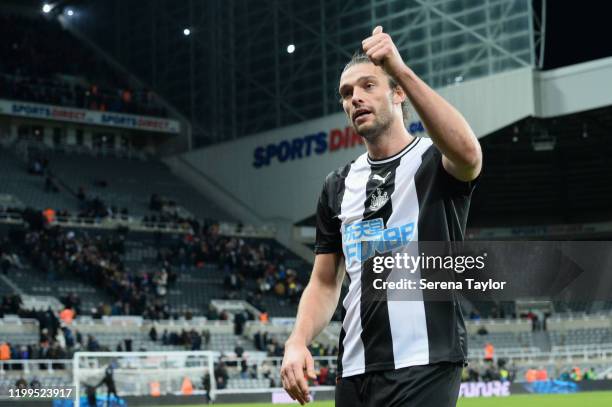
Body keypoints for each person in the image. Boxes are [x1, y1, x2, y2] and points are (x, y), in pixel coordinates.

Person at [281, 25, 481, 407]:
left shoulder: (434, 162)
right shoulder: (337, 186)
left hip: (426, 360)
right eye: (346, 93)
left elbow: (470, 155)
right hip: (355, 370)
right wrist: (297, 340)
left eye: (368, 85)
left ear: (398, 93)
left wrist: (398, 67)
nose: (355, 98)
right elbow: (325, 283)